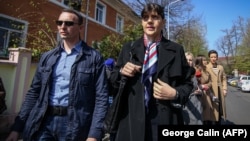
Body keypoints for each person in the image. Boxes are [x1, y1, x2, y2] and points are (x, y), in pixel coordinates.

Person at [6, 9, 109, 141]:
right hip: (43, 121)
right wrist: (17, 128)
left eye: (69, 23)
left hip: (75, 125)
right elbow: (34, 92)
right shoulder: (48, 57)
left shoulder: (93, 58)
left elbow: (101, 97)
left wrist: (94, 134)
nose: (62, 27)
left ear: (80, 27)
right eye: (59, 22)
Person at [109, 3, 193, 141]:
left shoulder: (176, 50)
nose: (149, 21)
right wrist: (122, 72)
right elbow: (113, 81)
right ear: (142, 22)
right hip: (131, 121)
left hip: (165, 119)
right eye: (145, 17)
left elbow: (188, 84)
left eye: (155, 17)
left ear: (163, 22)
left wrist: (175, 93)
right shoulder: (129, 49)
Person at [206, 50, 227, 125]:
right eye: (212, 57)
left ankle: (218, 122)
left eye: (215, 57)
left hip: (219, 90)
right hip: (210, 91)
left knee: (219, 109)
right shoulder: (206, 67)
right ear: (209, 58)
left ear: (217, 57)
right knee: (210, 109)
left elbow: (224, 78)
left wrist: (224, 89)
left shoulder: (220, 67)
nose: (213, 58)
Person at [182, 52, 204, 125]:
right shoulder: (179, 73)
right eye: (186, 59)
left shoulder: (195, 73)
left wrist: (200, 91)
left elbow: (199, 87)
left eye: (190, 60)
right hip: (185, 106)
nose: (188, 61)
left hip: (196, 104)